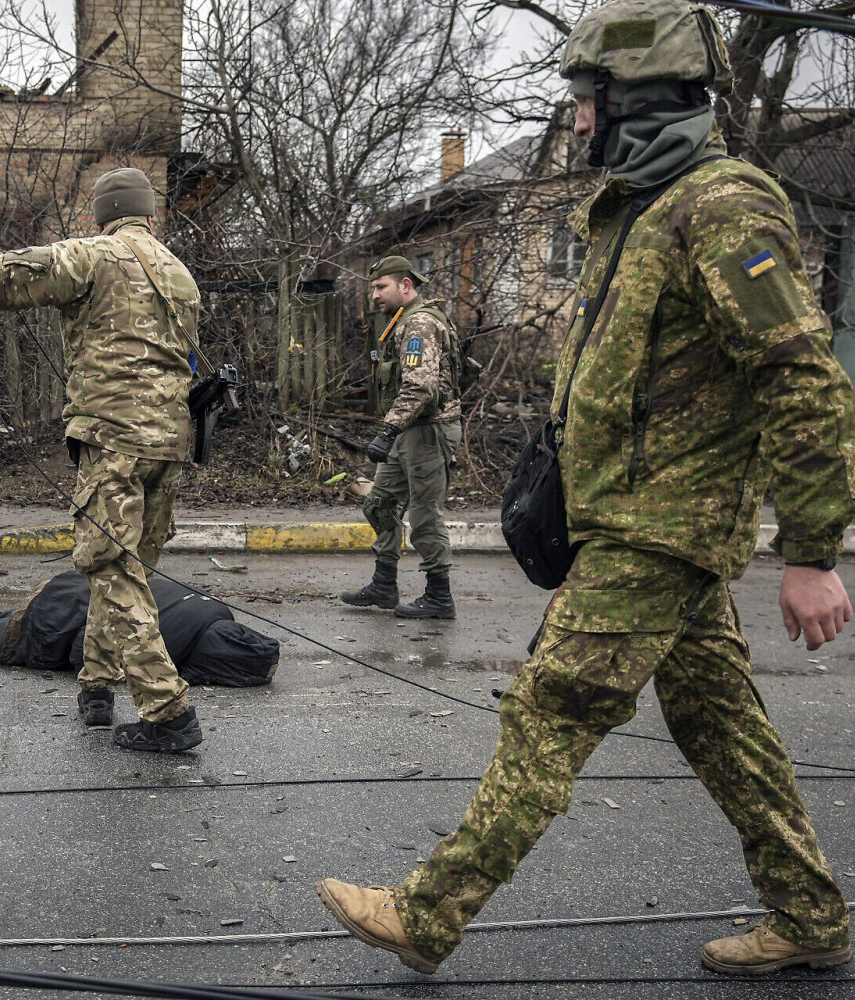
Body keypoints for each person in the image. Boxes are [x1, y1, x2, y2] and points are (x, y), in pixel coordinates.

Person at [318, 0, 854, 978]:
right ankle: (810, 913)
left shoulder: (724, 206)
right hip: (639, 520)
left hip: (665, 526)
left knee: (553, 706)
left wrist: (812, 551)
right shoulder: (644, 212)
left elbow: (801, 374)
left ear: (641, 100)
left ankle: (427, 911)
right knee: (717, 721)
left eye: (586, 100)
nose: (573, 121)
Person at [0, 167, 203, 752]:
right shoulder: (178, 273)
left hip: (114, 441)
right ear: (151, 214)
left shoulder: (94, 255)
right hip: (170, 442)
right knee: (128, 571)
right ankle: (97, 686)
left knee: (111, 569)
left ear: (101, 215)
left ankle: (167, 711)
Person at [0, 571, 280, 689]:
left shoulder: (214, 609)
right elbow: (85, 651)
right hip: (53, 623)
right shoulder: (164, 648)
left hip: (73, 587)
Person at [341, 256, 462, 619]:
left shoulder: (420, 323)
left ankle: (439, 597)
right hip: (408, 431)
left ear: (405, 285)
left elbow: (421, 387)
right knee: (378, 503)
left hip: (427, 432)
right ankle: (384, 584)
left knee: (425, 515)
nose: (375, 295)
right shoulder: (401, 321)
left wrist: (388, 429)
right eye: (373, 288)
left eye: (381, 287)